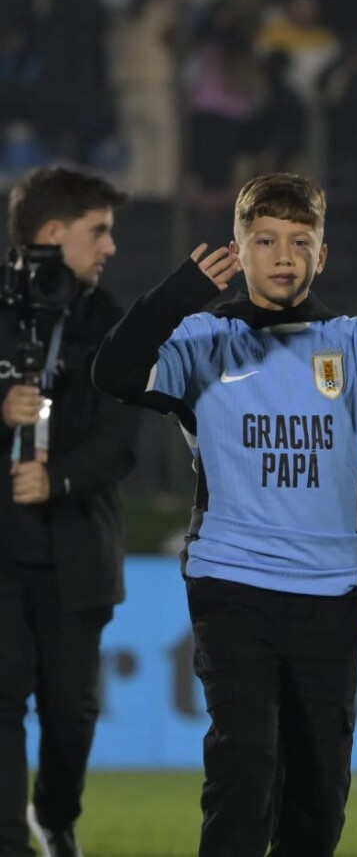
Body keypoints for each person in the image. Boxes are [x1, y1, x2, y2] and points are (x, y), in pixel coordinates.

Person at [91, 175, 357, 856]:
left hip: (327, 597)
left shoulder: (354, 344)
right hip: (231, 589)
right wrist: (178, 293)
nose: (283, 255)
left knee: (318, 796)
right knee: (244, 765)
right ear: (239, 251)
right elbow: (113, 372)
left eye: (300, 241)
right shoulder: (204, 340)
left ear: (322, 257)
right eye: (264, 240)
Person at [0, 167, 137, 857]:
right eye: (99, 231)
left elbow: (121, 444)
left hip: (76, 546)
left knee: (71, 712)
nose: (110, 246)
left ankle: (53, 816)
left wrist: (54, 479)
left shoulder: (109, 320)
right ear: (54, 233)